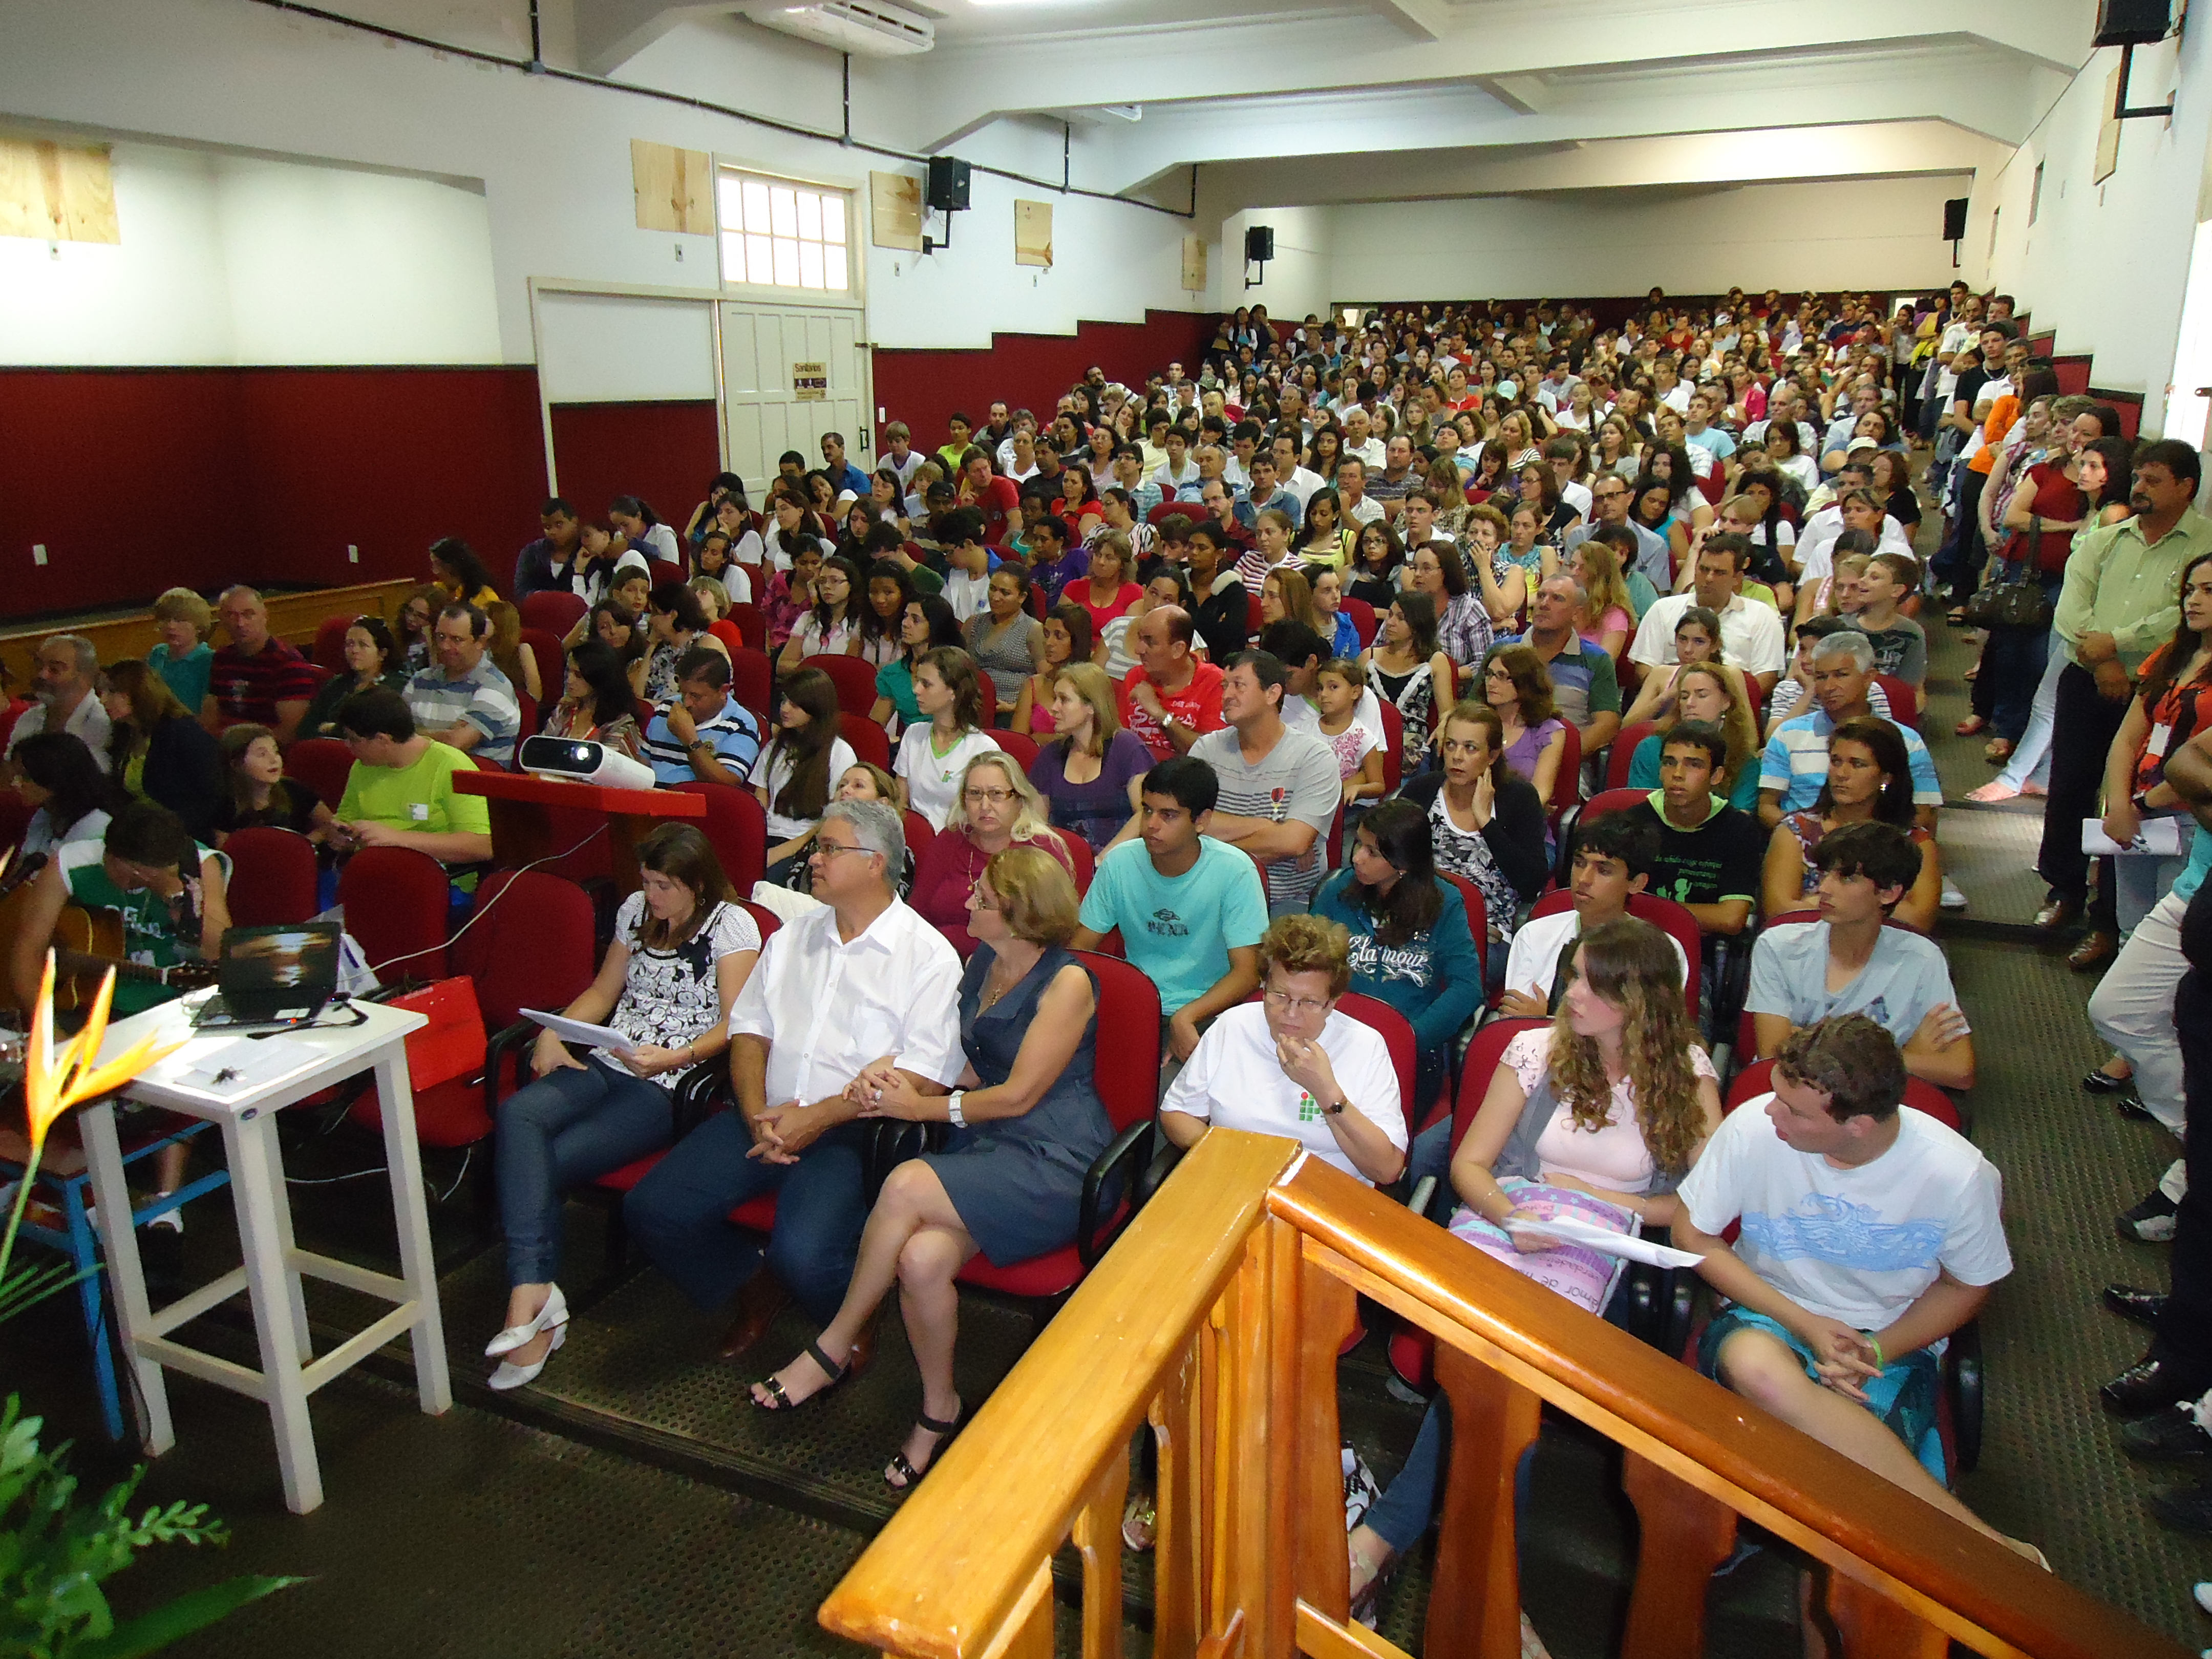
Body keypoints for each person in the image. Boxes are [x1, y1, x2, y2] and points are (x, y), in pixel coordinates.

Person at [1350, 918, 1721, 1614]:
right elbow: (1470, 1165)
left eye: (1587, 983)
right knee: (1501, 1375)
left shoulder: (1687, 1073)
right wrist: (1512, 1217)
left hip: (1607, 1261)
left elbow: (1702, 1206)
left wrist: (1598, 1199)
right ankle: (1496, 1599)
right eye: (1571, 975)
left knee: (1493, 1374)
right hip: (1509, 1231)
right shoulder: (1535, 1050)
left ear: (1637, 1000)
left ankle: (1384, 1543)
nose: (1568, 992)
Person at [749, 847, 1111, 1487]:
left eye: (984, 899)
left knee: (906, 1183)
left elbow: (1018, 1095)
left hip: (1056, 1156)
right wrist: (891, 1074)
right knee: (919, 1261)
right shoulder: (983, 962)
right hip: (990, 1147)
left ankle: (834, 1344)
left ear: (1019, 914)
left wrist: (920, 1107)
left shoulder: (1068, 983)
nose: (967, 901)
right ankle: (939, 1409)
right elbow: (969, 1062)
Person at [1672, 1015, 2040, 1562]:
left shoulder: (1959, 1176)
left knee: (1849, 1496)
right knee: (1758, 1369)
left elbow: (1966, 1287)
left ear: (1859, 1126)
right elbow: (1691, 1233)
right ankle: (1985, 1547)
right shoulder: (1754, 1128)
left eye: (1793, 1110)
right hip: (1769, 1310)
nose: (1770, 1111)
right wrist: (1804, 1324)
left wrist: (1875, 1350)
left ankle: (1770, 1523)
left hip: (1886, 1336)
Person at [623, 799, 964, 1364]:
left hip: (853, 1130)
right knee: (652, 1210)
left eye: (829, 849)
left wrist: (816, 1118)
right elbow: (749, 1033)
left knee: (804, 1256)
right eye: (817, 848)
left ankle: (852, 1313)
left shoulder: (928, 956)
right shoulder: (792, 937)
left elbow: (925, 1077)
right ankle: (751, 1285)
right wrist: (757, 1111)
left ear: (875, 863)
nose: (814, 860)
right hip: (766, 1113)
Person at [485, 824, 760, 1390]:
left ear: (696, 885)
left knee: (541, 1162)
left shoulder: (732, 924)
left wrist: (676, 1055)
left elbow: (738, 1023)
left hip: (667, 1080)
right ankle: (532, 1293)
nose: (650, 895)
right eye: (647, 882)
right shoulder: (635, 910)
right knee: (517, 1116)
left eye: (663, 886)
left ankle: (531, 1309)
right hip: (610, 1057)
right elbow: (603, 992)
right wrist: (556, 1032)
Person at [2039, 446, 2212, 970]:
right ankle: (2064, 888)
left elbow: (2180, 617)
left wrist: (2116, 643)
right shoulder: (2107, 538)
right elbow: (2073, 604)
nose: (2138, 488)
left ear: (2186, 486)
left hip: (2165, 687)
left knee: (2137, 802)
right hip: (2090, 677)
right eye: (2137, 478)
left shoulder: (2205, 545)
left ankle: (2108, 922)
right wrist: (2103, 658)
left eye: (2153, 480)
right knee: (2070, 785)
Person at [1159, 912, 1406, 1183]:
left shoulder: (1365, 1046)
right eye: (1279, 995)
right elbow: (1177, 1113)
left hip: (1321, 1191)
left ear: (1332, 1003)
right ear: (1264, 987)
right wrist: (1229, 1155)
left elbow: (1387, 1170)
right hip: (1232, 1178)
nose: (1291, 1013)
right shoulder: (1233, 1025)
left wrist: (1326, 1093)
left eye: (1309, 1002)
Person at [1072, 756, 1266, 1071]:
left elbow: (1248, 973)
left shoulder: (1236, 871)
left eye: (1169, 815)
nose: (1152, 824)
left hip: (1209, 1011)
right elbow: (1079, 949)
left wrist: (1186, 1016)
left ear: (1201, 821)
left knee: (1170, 1094)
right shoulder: (1120, 863)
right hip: (1134, 1007)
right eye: (1147, 810)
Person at [1746, 822, 1973, 1089]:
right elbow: (1772, 1052)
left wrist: (1804, 1040)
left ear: (1888, 893)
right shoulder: (1778, 945)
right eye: (1825, 874)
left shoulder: (1923, 957)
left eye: (1846, 878)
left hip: (1878, 1105)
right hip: (1788, 1092)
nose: (1824, 888)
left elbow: (1960, 1071)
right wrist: (1901, 1053)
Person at [1310, 800, 1482, 1110]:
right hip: (1333, 1041)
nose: (1357, 857)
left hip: (1407, 1050)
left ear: (1403, 863)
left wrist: (1410, 1039)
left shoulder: (1444, 903)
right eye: (1359, 844)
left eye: (1372, 852)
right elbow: (1304, 962)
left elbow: (1466, 987)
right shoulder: (1337, 891)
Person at [10, 798, 231, 1020]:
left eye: (145, 877)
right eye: (130, 874)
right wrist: (49, 1031)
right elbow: (28, 951)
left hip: (177, 1001)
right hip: (89, 1002)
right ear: (107, 852)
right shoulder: (72, 861)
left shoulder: (201, 866)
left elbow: (221, 952)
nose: (134, 884)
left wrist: (178, 899)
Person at [1397, 703, 1550, 968]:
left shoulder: (1518, 798)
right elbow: (1387, 854)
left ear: (1492, 756)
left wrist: (1486, 822)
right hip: (1418, 920)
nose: (1457, 757)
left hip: (1484, 933)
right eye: (1451, 745)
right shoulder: (1422, 791)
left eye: (1470, 748)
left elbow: (1531, 883)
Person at [1189, 652, 1339, 916]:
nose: (1227, 695)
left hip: (1286, 904)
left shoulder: (1314, 757)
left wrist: (1206, 852)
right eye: (1225, 686)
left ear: (1272, 694)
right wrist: (1266, 827)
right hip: (1210, 895)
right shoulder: (1206, 750)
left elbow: (1293, 842)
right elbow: (1185, 824)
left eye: (1239, 685)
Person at [1763, 716, 1942, 934]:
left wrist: (1817, 902)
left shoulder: (1915, 842)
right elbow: (1780, 913)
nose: (1841, 774)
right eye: (1836, 761)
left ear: (1886, 777)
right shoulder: (1796, 831)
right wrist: (1876, 905)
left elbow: (1919, 919)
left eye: (1858, 764)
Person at [1500, 813, 1686, 1015]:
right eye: (1579, 863)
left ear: (1636, 883)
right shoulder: (1534, 935)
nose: (1584, 879)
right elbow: (1516, 1022)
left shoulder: (1662, 951)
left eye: (1603, 871)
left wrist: (1545, 1019)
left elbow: (1649, 1029)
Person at [1756, 631, 1938, 829]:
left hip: (1881, 841)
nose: (1829, 687)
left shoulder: (1908, 741)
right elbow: (1767, 807)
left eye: (1841, 675)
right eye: (1821, 677)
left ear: (1869, 677)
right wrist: (1804, 835)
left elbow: (1923, 815)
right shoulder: (1788, 734)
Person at [910, 752, 1074, 956]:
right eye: (975, 794)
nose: (985, 806)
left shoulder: (1041, 850)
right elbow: (918, 911)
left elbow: (1045, 935)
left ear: (1019, 799)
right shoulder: (951, 839)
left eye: (996, 794)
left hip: (1011, 966)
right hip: (936, 960)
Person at [1619, 721, 1765, 938]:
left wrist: (1646, 910)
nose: (1677, 774)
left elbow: (1731, 919)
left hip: (1703, 946)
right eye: (1669, 763)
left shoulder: (1740, 829)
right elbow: (1611, 901)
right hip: (1634, 939)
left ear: (1716, 776)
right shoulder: (1633, 821)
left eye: (1694, 765)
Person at [327, 689, 494, 869]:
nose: (347, 745)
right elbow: (345, 820)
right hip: (372, 868)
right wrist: (342, 836)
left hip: (431, 875)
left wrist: (396, 839)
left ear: (383, 740)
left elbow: (482, 845)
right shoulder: (364, 765)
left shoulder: (451, 766)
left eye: (353, 740)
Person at [1492, 577, 1621, 789]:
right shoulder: (1502, 652)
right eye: (1541, 596)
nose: (1544, 604)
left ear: (1576, 614)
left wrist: (1559, 755)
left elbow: (1607, 725)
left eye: (1557, 598)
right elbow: (1475, 708)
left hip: (1565, 767)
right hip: (1496, 759)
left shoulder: (1596, 660)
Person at [1628, 536, 1785, 699]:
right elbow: (1644, 668)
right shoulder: (1663, 609)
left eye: (1719, 573)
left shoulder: (1762, 616)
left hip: (1733, 704)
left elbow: (1765, 679)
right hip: (1668, 699)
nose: (1709, 578)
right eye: (1703, 569)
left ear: (1737, 579)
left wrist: (1718, 703)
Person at [1026, 662, 1150, 853]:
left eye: (1064, 700)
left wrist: (1103, 860)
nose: (1054, 708)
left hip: (1119, 859)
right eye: (1055, 698)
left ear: (1092, 706)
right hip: (1065, 860)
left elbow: (1144, 814)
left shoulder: (1127, 747)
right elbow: (1037, 824)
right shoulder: (1051, 755)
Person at [750, 668, 856, 882]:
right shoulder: (776, 747)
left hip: (807, 842)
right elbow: (761, 797)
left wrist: (780, 852)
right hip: (767, 835)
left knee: (765, 881)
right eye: (784, 700)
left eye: (795, 704)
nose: (784, 709)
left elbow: (834, 817)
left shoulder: (840, 753)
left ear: (815, 709)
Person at [96, 660, 220, 841]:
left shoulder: (181, 731)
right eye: (102, 692)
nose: (103, 700)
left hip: (180, 834)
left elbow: (210, 796)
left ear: (137, 693)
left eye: (112, 692)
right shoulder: (125, 733)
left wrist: (162, 832)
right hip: (141, 831)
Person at [1625, 661, 1761, 811]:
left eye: (1701, 695)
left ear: (1726, 702)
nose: (1690, 703)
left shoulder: (1745, 760)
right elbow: (1640, 812)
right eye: (1684, 697)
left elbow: (1740, 818)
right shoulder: (1651, 748)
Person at [403, 602, 523, 770]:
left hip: (469, 780)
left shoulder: (496, 687)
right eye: (441, 637)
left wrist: (411, 734)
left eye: (456, 640)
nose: (445, 646)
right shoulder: (420, 681)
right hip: (416, 771)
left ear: (480, 642)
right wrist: (442, 733)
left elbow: (454, 743)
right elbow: (392, 733)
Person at [895, 648, 999, 831]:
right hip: (915, 838)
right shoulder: (913, 734)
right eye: (918, 681)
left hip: (959, 839)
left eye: (926, 684)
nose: (916, 690)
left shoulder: (983, 749)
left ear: (954, 692)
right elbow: (901, 804)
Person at [641, 647, 762, 789]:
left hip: (698, 800)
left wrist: (690, 740)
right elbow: (643, 765)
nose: (687, 703)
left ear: (723, 691)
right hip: (653, 797)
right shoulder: (666, 709)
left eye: (695, 696)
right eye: (683, 693)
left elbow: (727, 787)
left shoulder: (742, 724)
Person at [1362, 593, 1455, 774]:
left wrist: (1444, 726)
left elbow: (1447, 711)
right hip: (1371, 742)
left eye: (1401, 618)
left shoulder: (1436, 661)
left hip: (1414, 748)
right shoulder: (1369, 657)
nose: (1390, 622)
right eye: (1390, 615)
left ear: (1418, 624)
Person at [1118, 606, 1225, 762]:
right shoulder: (1135, 677)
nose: (1138, 649)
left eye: (1150, 642)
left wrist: (1160, 714)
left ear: (1178, 649)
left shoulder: (1215, 683)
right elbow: (1119, 743)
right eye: (1140, 639)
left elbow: (1209, 755)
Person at [209, 722, 333, 843]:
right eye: (262, 754)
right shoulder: (224, 801)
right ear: (236, 764)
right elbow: (224, 848)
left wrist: (302, 844)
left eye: (276, 751)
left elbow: (329, 825)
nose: (274, 760)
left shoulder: (292, 789)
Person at [10, 634, 113, 771]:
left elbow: (92, 779)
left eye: (55, 670)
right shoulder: (30, 717)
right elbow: (9, 771)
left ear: (84, 677)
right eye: (38, 666)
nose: (42, 675)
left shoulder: (100, 722)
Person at [1480, 644, 1567, 804]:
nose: (1491, 683)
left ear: (1525, 682)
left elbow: (1541, 793)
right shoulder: (1476, 723)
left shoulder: (1549, 732)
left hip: (1521, 812)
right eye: (1489, 674)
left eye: (1501, 676)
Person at [299, 616, 408, 741]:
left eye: (363, 645)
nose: (354, 650)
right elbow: (305, 731)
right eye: (350, 644)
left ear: (382, 653)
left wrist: (334, 729)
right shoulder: (337, 685)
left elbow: (373, 732)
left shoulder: (398, 686)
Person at [12, 732, 114, 860]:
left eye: (26, 777)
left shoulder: (96, 828)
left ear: (55, 777)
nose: (16, 783)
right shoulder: (42, 817)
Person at [962, 566, 1047, 719]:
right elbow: (958, 667)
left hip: (1011, 712)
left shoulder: (1033, 630)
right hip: (973, 705)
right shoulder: (973, 624)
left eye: (1005, 593)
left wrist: (1016, 706)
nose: (995, 597)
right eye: (992, 589)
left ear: (1022, 597)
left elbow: (1046, 680)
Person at [544, 639, 646, 761]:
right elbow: (542, 752)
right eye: (568, 671)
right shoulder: (564, 711)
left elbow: (610, 767)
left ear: (599, 678)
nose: (569, 680)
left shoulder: (621, 724)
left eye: (578, 675)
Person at [1010, 604, 1092, 737]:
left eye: (1059, 636)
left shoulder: (1093, 686)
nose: (1049, 643)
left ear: (1078, 641)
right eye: (1046, 634)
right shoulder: (1034, 685)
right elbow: (1017, 740)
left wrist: (1046, 739)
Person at [146, 588, 215, 714]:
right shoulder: (157, 653)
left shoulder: (208, 660)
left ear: (199, 626)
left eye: (180, 620)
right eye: (166, 620)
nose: (171, 626)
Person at [429, 537, 502, 609]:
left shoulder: (485, 598)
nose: (435, 572)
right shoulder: (435, 591)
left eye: (437, 566)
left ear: (451, 567)